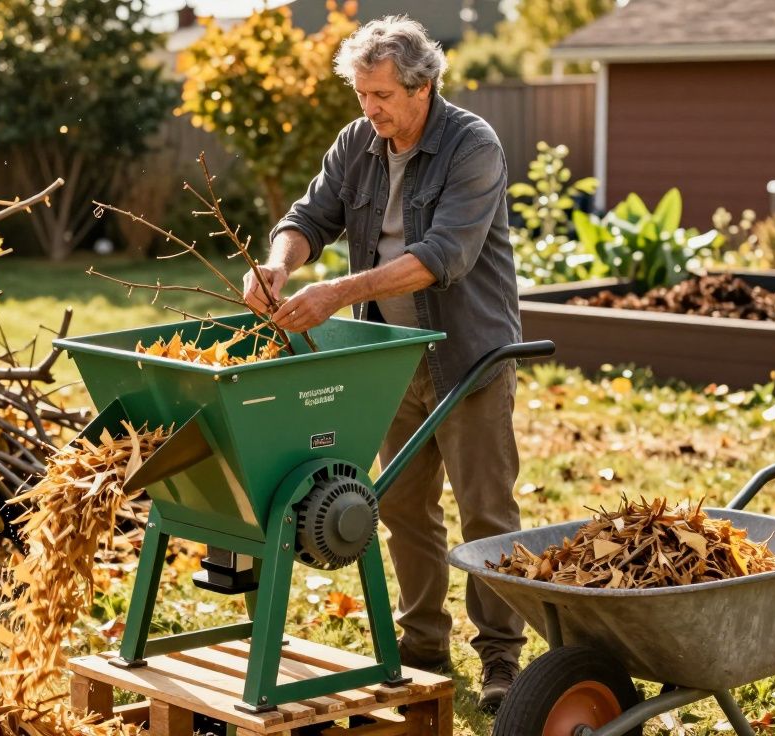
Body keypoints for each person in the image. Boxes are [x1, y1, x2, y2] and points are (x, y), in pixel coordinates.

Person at [241, 15, 524, 712]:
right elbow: (309, 218)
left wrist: (338, 291)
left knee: (486, 513)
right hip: (390, 361)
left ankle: (501, 661)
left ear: (422, 86)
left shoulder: (472, 146)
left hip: (469, 357)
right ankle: (423, 647)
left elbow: (443, 259)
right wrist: (277, 263)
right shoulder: (357, 145)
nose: (370, 111)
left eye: (382, 96)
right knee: (400, 507)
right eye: (362, 95)